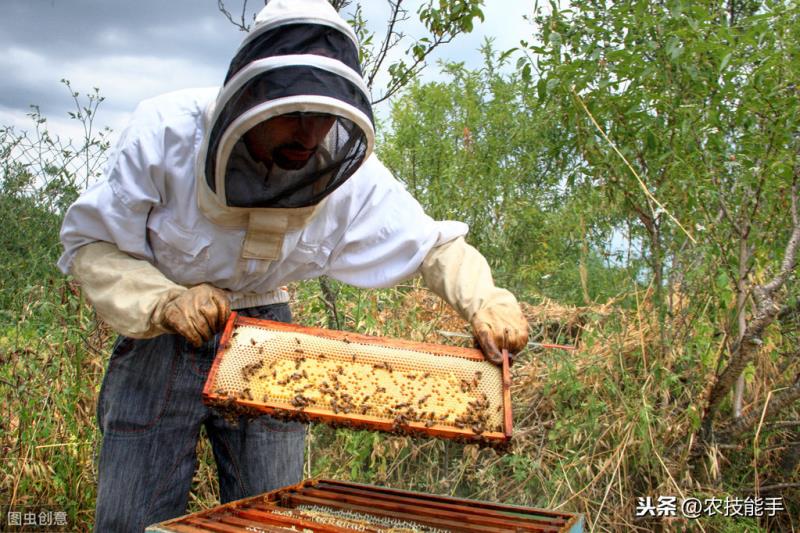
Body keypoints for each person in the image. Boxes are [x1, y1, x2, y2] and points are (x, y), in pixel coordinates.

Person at [58, 0, 528, 530]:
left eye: (324, 118)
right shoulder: (165, 133)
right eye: (295, 117)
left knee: (275, 514)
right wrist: (164, 300)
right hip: (159, 341)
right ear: (251, 97)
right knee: (129, 519)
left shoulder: (352, 174)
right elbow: (91, 247)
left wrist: (489, 301)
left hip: (269, 342)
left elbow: (432, 247)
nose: (309, 136)